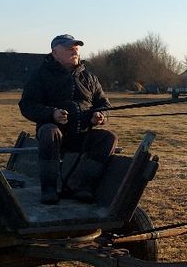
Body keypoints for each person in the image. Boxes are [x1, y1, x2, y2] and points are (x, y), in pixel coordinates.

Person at [19, 34, 117, 204]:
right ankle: (49, 189)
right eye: (69, 48)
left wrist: (100, 116)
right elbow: (27, 105)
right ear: (55, 53)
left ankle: (83, 187)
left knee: (108, 138)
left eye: (76, 48)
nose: (75, 51)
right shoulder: (40, 75)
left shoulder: (90, 78)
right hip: (53, 136)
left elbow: (104, 104)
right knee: (49, 131)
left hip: (81, 135)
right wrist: (52, 114)